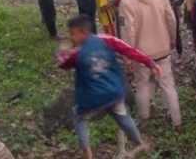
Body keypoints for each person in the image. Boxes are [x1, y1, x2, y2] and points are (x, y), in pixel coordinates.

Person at [57, 15, 158, 159]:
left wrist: (62, 51)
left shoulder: (76, 53)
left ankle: (87, 152)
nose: (72, 37)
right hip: (114, 92)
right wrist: (150, 63)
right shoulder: (107, 40)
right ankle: (139, 142)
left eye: (73, 34)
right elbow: (129, 50)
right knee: (122, 116)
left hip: (92, 98)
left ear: (83, 32)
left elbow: (63, 64)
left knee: (78, 117)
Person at [118, 0, 181, 129]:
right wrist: (173, 38)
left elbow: (127, 33)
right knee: (168, 85)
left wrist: (127, 58)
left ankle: (144, 118)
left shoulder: (126, 2)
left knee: (142, 85)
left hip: (142, 54)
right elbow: (171, 17)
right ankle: (177, 121)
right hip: (162, 48)